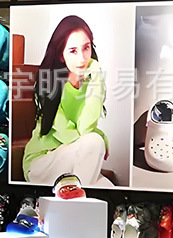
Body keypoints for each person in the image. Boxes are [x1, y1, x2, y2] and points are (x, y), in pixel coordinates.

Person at [23, 15, 112, 187]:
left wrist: (97, 77)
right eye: (73, 51)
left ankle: (75, 196)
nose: (82, 58)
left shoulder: (90, 81)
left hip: (71, 160)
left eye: (86, 48)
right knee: (95, 141)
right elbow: (71, 135)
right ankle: (76, 199)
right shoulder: (49, 83)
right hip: (42, 162)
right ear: (61, 54)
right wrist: (100, 136)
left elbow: (84, 128)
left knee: (107, 187)